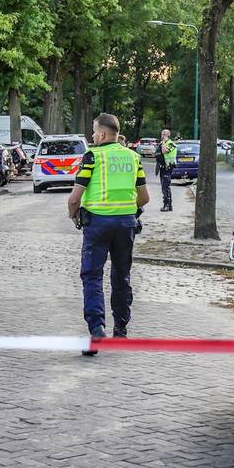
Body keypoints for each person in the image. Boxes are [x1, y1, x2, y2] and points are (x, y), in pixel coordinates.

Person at [67, 113, 149, 354]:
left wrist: (74, 214)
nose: (92, 136)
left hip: (97, 226)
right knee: (121, 276)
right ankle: (121, 332)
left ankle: (97, 330)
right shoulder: (134, 158)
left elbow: (75, 198)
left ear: (102, 134)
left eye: (94, 132)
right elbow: (144, 197)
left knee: (92, 276)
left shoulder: (93, 156)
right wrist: (129, 212)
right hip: (126, 224)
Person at [157, 129, 177, 212]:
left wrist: (164, 142)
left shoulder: (171, 144)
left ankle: (167, 205)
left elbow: (164, 151)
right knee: (164, 186)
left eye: (164, 134)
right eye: (162, 134)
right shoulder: (161, 143)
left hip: (168, 167)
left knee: (165, 186)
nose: (162, 136)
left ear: (168, 135)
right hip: (162, 167)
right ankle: (169, 205)